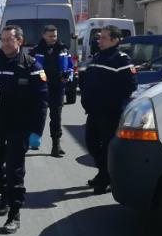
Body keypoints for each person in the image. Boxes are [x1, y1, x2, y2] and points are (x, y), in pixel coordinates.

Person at [0, 25, 48, 234]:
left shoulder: (31, 65)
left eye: (9, 40)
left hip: (19, 126)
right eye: (2, 40)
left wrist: (37, 131)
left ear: (19, 41)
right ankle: (4, 194)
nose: (5, 44)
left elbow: (41, 101)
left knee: (14, 170)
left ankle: (14, 213)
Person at [80, 25, 137, 194]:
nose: (100, 41)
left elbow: (131, 86)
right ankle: (103, 172)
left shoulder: (122, 59)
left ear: (115, 40)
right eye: (100, 37)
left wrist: (109, 100)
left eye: (104, 38)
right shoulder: (98, 56)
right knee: (91, 144)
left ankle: (105, 178)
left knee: (105, 147)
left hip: (109, 112)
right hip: (93, 111)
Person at [31, 25, 73, 157]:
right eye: (50, 36)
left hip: (57, 88)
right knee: (38, 115)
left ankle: (56, 145)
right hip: (41, 88)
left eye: (55, 36)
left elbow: (71, 67)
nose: (53, 38)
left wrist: (68, 77)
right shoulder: (36, 50)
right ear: (44, 36)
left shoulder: (63, 49)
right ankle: (34, 140)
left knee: (56, 117)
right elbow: (31, 69)